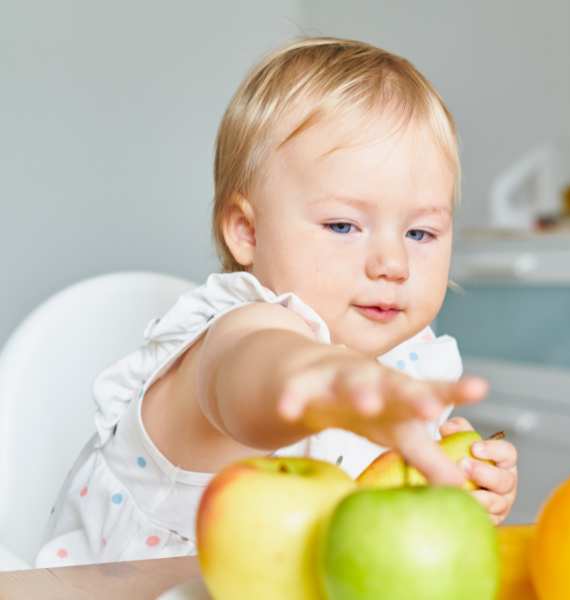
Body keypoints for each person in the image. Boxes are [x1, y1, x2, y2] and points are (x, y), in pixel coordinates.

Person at [36, 37, 518, 568]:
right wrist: (331, 384)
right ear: (246, 230)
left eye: (421, 233)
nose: (393, 262)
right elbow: (260, 376)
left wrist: (456, 487)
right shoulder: (239, 332)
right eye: (342, 225)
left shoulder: (405, 368)